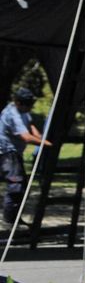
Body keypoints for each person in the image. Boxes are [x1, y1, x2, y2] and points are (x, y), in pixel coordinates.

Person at [2, 86, 51, 225]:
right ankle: (9, 221)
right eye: (27, 105)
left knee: (23, 186)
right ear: (18, 102)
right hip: (6, 153)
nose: (30, 107)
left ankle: (15, 218)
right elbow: (26, 138)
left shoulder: (23, 110)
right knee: (16, 185)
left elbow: (29, 124)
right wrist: (47, 144)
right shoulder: (12, 114)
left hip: (14, 153)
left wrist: (39, 136)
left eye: (31, 104)